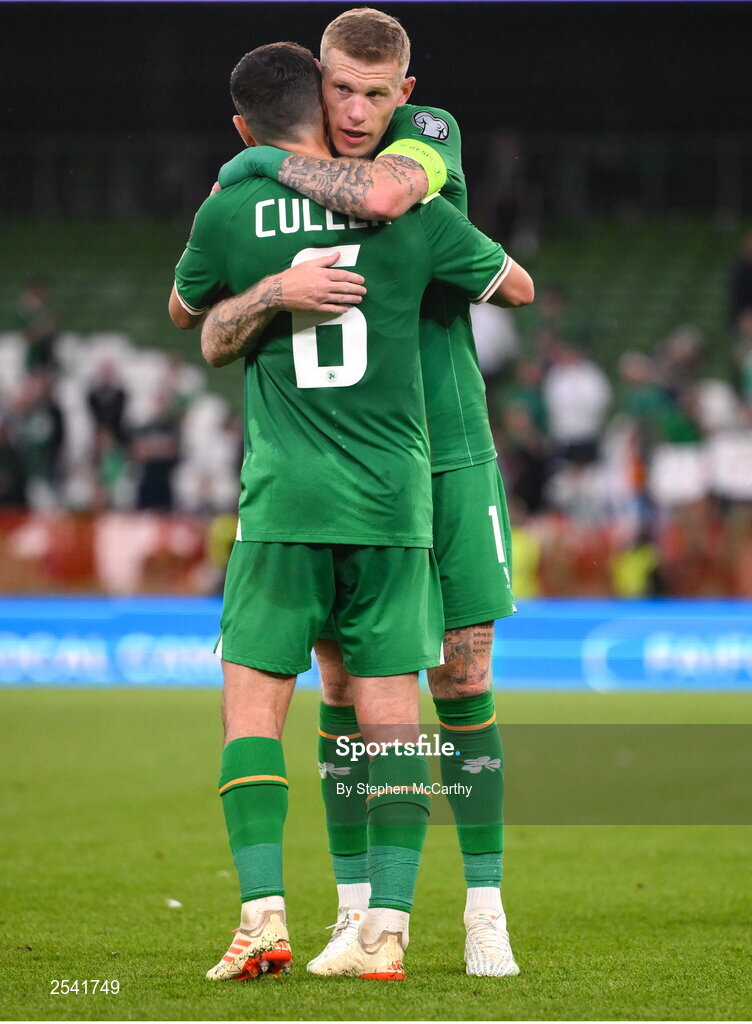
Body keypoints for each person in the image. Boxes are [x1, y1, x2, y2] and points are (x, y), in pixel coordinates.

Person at [170, 41, 532, 982]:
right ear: (316, 91)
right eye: (342, 91)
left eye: (377, 93)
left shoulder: (425, 141)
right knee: (346, 682)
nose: (361, 110)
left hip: (446, 450)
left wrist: (251, 163)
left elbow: (377, 197)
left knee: (462, 671)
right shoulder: (300, 185)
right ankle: (361, 912)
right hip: (382, 466)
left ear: (404, 93)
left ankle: (485, 906)